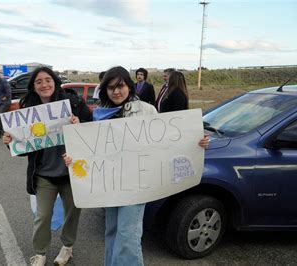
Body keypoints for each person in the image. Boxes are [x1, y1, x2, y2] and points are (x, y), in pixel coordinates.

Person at [63, 66, 209, 266]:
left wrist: (195, 142)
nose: (116, 91)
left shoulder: (146, 110)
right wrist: (74, 159)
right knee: (112, 230)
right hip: (110, 185)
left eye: (120, 86)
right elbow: (90, 152)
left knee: (128, 235)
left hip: (137, 185)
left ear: (129, 86)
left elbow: (166, 141)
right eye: (111, 87)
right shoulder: (99, 114)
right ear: (104, 90)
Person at [2, 67, 92, 266]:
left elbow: (92, 128)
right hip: (44, 174)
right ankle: (40, 253)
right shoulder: (28, 110)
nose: (44, 84)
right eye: (39, 81)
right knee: (42, 216)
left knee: (72, 214)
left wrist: (80, 124)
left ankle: (67, 247)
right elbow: (25, 148)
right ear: (33, 87)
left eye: (48, 80)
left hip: (71, 172)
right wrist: (10, 141)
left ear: (55, 81)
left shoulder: (72, 103)